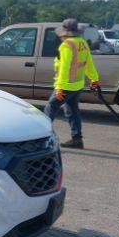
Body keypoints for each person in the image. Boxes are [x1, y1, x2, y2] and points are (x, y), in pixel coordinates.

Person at [44, 18, 100, 149]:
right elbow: (89, 64)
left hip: (66, 86)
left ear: (64, 32)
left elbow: (64, 68)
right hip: (77, 85)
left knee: (50, 109)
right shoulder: (83, 43)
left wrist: (59, 88)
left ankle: (42, 139)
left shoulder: (66, 45)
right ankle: (77, 139)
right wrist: (94, 79)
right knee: (72, 111)